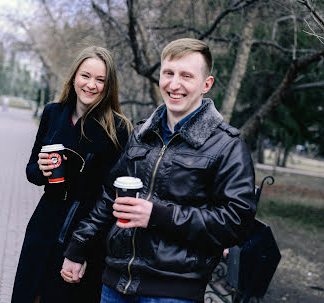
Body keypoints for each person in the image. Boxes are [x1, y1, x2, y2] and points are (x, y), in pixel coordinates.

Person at [61, 38, 257, 303]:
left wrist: (158, 215)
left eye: (186, 76)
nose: (174, 84)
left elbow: (236, 223)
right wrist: (78, 249)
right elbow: (110, 196)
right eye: (169, 73)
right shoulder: (142, 134)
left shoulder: (227, 145)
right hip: (115, 286)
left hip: (174, 292)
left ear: (206, 84)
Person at [11, 46, 132, 303]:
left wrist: (83, 250)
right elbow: (31, 171)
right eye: (85, 76)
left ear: (108, 86)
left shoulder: (117, 128)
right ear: (74, 76)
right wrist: (42, 170)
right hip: (43, 224)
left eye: (100, 80)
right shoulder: (53, 113)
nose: (91, 85)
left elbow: (108, 197)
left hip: (82, 233)